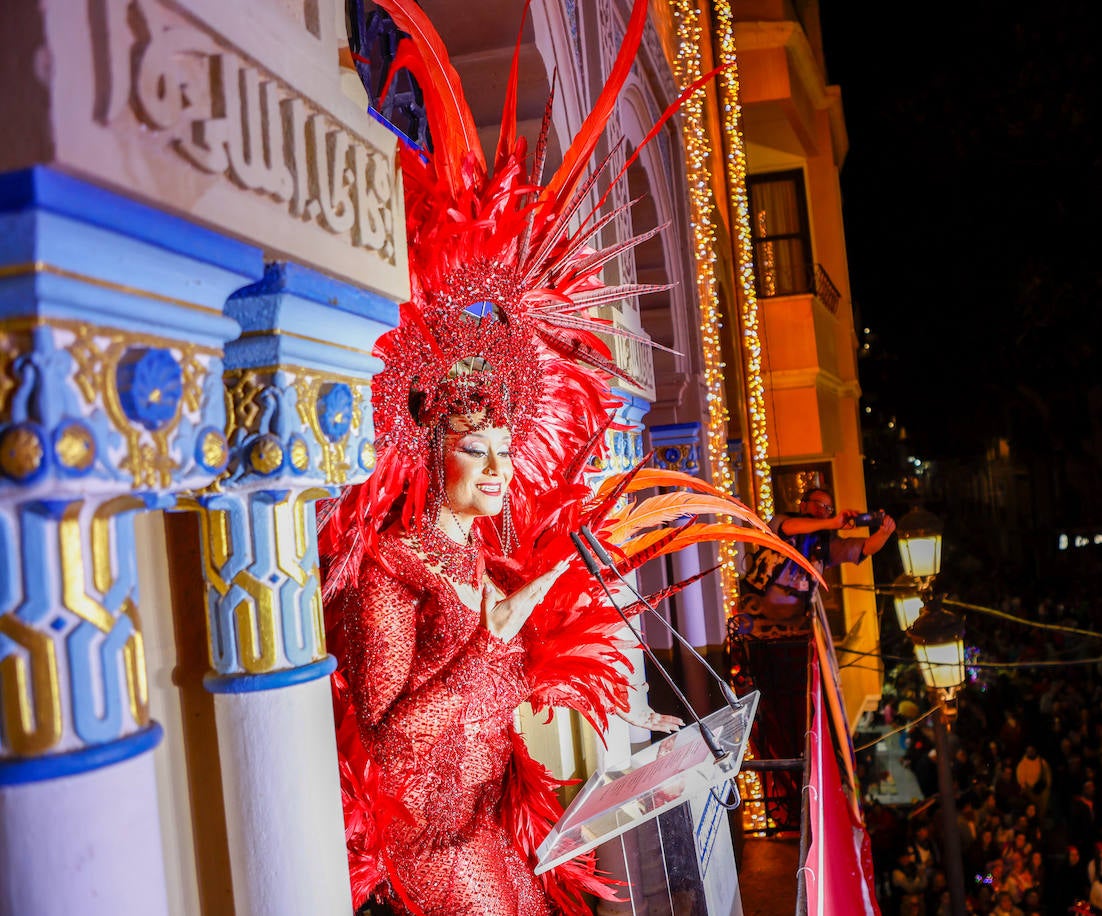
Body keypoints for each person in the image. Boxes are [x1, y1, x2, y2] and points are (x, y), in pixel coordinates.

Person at [318, 1, 801, 912]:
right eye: (477, 450)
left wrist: (653, 736)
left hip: (499, 824)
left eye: (506, 448)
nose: (498, 471)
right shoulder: (393, 571)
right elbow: (389, 755)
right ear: (430, 449)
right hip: (432, 846)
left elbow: (522, 689)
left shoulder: (488, 562)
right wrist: (488, 646)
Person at [740, 487, 896, 628]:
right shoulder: (783, 520)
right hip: (755, 608)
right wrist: (832, 523)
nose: (823, 510)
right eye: (819, 504)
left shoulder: (826, 544)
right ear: (803, 505)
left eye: (828, 508)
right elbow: (788, 527)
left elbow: (865, 548)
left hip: (792, 623)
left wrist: (884, 533)